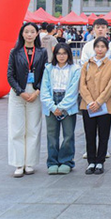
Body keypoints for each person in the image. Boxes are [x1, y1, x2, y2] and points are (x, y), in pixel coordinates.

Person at [7, 22, 48, 178]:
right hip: (18, 93)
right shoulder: (15, 52)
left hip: (35, 92)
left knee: (33, 128)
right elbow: (10, 74)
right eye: (26, 32)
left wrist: (37, 91)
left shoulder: (42, 52)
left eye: (32, 32)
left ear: (37, 34)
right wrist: (20, 91)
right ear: (22, 34)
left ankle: (30, 163)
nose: (29, 34)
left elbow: (45, 73)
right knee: (17, 129)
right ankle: (18, 163)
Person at [40, 42, 81, 175]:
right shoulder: (48, 68)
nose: (61, 56)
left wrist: (62, 107)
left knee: (68, 134)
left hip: (68, 103)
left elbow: (73, 91)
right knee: (52, 135)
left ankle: (66, 161)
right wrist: (52, 107)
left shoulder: (75, 69)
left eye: (64, 53)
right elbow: (44, 89)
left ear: (68, 54)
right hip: (51, 101)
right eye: (58, 53)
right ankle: (52, 162)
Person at [80, 37, 111, 174]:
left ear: (107, 49)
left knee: (103, 134)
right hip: (88, 106)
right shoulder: (86, 65)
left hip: (105, 106)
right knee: (89, 134)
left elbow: (110, 86)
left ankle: (100, 161)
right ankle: (91, 161)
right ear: (94, 48)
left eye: (103, 47)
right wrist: (91, 102)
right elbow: (82, 85)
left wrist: (99, 102)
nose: (100, 49)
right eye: (97, 46)